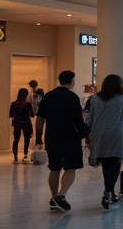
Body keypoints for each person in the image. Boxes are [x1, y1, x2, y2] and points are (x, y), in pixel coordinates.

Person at [86, 74, 123, 210]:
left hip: (100, 135)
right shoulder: (122, 98)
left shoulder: (95, 98)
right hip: (116, 134)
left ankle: (111, 193)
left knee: (106, 164)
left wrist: (86, 133)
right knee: (115, 164)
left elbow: (90, 117)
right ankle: (107, 193)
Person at [37, 71, 88, 211]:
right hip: (70, 137)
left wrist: (38, 137)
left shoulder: (48, 96)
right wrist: (86, 134)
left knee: (54, 168)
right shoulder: (72, 97)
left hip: (51, 137)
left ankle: (54, 198)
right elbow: (78, 119)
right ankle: (61, 194)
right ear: (72, 81)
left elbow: (40, 118)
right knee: (71, 167)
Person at [9, 88, 36, 164]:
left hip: (17, 123)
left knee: (16, 140)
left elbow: (11, 115)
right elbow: (32, 115)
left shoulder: (13, 104)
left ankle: (15, 157)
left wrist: (12, 123)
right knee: (26, 140)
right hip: (27, 123)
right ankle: (25, 156)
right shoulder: (28, 104)